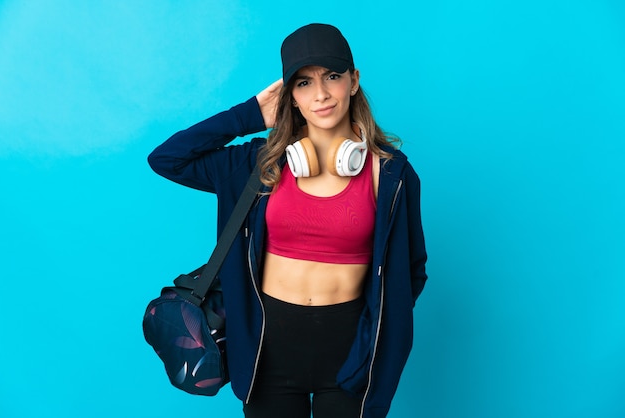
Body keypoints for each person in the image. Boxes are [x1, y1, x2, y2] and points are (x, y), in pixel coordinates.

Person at [148, 23, 427, 418]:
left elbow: (411, 270)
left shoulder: (392, 175)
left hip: (352, 351)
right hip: (267, 351)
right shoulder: (256, 165)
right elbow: (167, 159)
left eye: (332, 76)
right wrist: (246, 116)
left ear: (354, 80)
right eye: (303, 83)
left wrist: (377, 329)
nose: (321, 94)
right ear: (290, 97)